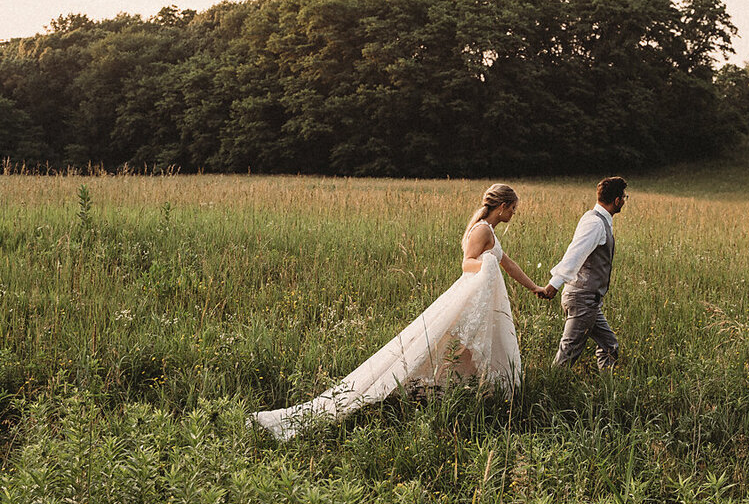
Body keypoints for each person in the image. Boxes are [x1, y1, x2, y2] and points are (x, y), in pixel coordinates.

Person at [251, 183, 542, 441]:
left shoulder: (489, 230)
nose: (514, 214)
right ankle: (432, 396)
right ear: (503, 206)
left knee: (464, 351)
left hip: (476, 300)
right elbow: (467, 264)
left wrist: (535, 288)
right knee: (447, 346)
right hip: (467, 299)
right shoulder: (480, 230)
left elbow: (508, 263)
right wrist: (487, 267)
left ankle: (461, 397)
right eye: (513, 209)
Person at [539, 176, 626, 369]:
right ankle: (549, 388)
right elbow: (575, 254)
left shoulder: (595, 219)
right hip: (583, 299)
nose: (624, 201)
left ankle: (608, 386)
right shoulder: (595, 223)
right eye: (624, 197)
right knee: (568, 354)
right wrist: (553, 285)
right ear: (617, 200)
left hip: (589, 299)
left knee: (609, 345)